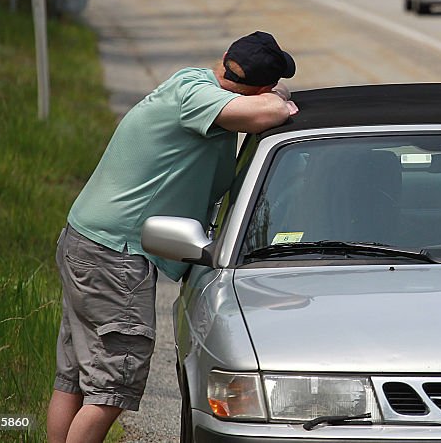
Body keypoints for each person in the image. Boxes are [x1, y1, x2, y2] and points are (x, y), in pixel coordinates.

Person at [47, 31, 299, 443]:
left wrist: (268, 97)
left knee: (74, 379)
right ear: (259, 89)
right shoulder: (197, 97)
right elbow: (263, 114)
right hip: (114, 254)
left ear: (223, 59)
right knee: (112, 386)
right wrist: (277, 102)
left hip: (88, 242)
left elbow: (253, 107)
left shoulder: (196, 86)